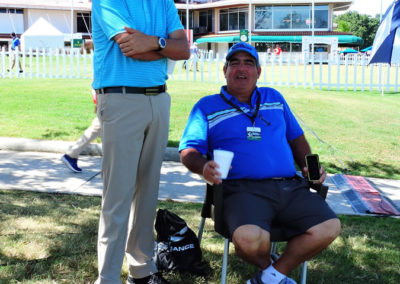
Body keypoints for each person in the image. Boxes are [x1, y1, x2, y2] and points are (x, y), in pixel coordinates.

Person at [179, 42, 341, 284]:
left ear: (259, 72)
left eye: (249, 63)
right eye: (234, 63)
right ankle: (275, 273)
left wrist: (312, 167)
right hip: (241, 190)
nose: (241, 68)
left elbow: (297, 139)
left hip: (290, 187)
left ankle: (270, 277)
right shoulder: (206, 106)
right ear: (225, 70)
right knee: (249, 240)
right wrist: (203, 167)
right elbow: (188, 150)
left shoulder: (274, 98)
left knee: (329, 226)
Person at [91, 1, 190, 284]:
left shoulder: (164, 2)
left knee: (148, 192)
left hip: (159, 99)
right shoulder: (107, 2)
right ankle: (108, 278)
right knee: (118, 196)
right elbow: (132, 50)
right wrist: (163, 46)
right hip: (121, 99)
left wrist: (153, 42)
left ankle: (142, 270)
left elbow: (183, 50)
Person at [61, 89, 101, 173]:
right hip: (107, 93)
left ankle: (72, 154)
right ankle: (71, 154)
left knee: (98, 127)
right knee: (98, 126)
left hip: (106, 93)